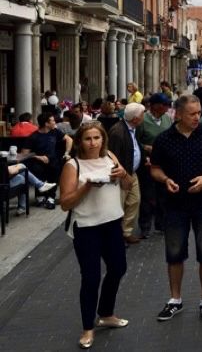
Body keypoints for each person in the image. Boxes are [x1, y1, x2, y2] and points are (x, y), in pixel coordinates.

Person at [150, 95, 202, 322]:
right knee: (174, 254)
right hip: (174, 205)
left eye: (199, 112)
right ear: (179, 115)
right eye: (192, 114)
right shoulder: (164, 139)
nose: (198, 117)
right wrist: (165, 180)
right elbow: (154, 168)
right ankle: (175, 299)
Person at [59, 122, 132, 349]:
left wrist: (123, 174)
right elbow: (65, 203)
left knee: (118, 268)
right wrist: (87, 187)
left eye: (97, 138)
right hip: (87, 227)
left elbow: (127, 185)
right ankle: (87, 328)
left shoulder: (110, 156)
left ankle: (106, 313)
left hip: (112, 224)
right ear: (80, 142)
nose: (93, 143)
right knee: (90, 278)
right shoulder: (73, 165)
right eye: (88, 139)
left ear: (103, 140)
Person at [108, 103, 146, 244]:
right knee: (120, 204)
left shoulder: (133, 128)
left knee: (134, 201)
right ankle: (117, 236)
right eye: (142, 115)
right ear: (135, 118)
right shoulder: (118, 132)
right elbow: (113, 155)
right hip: (122, 174)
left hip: (132, 172)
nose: (144, 117)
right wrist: (121, 174)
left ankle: (126, 231)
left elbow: (135, 146)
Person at [137, 93, 173, 238]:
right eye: (165, 105)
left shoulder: (166, 118)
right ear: (156, 106)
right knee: (148, 196)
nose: (167, 107)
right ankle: (145, 226)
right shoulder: (142, 120)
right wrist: (145, 147)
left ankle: (161, 224)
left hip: (164, 163)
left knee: (163, 195)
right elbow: (134, 140)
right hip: (148, 163)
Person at [21, 112, 74, 209]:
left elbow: (69, 139)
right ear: (46, 124)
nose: (55, 123)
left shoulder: (55, 132)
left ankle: (51, 197)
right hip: (38, 160)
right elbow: (24, 153)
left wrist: (67, 153)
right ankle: (40, 196)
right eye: (53, 121)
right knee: (37, 169)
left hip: (53, 159)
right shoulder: (34, 137)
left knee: (54, 167)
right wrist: (38, 157)